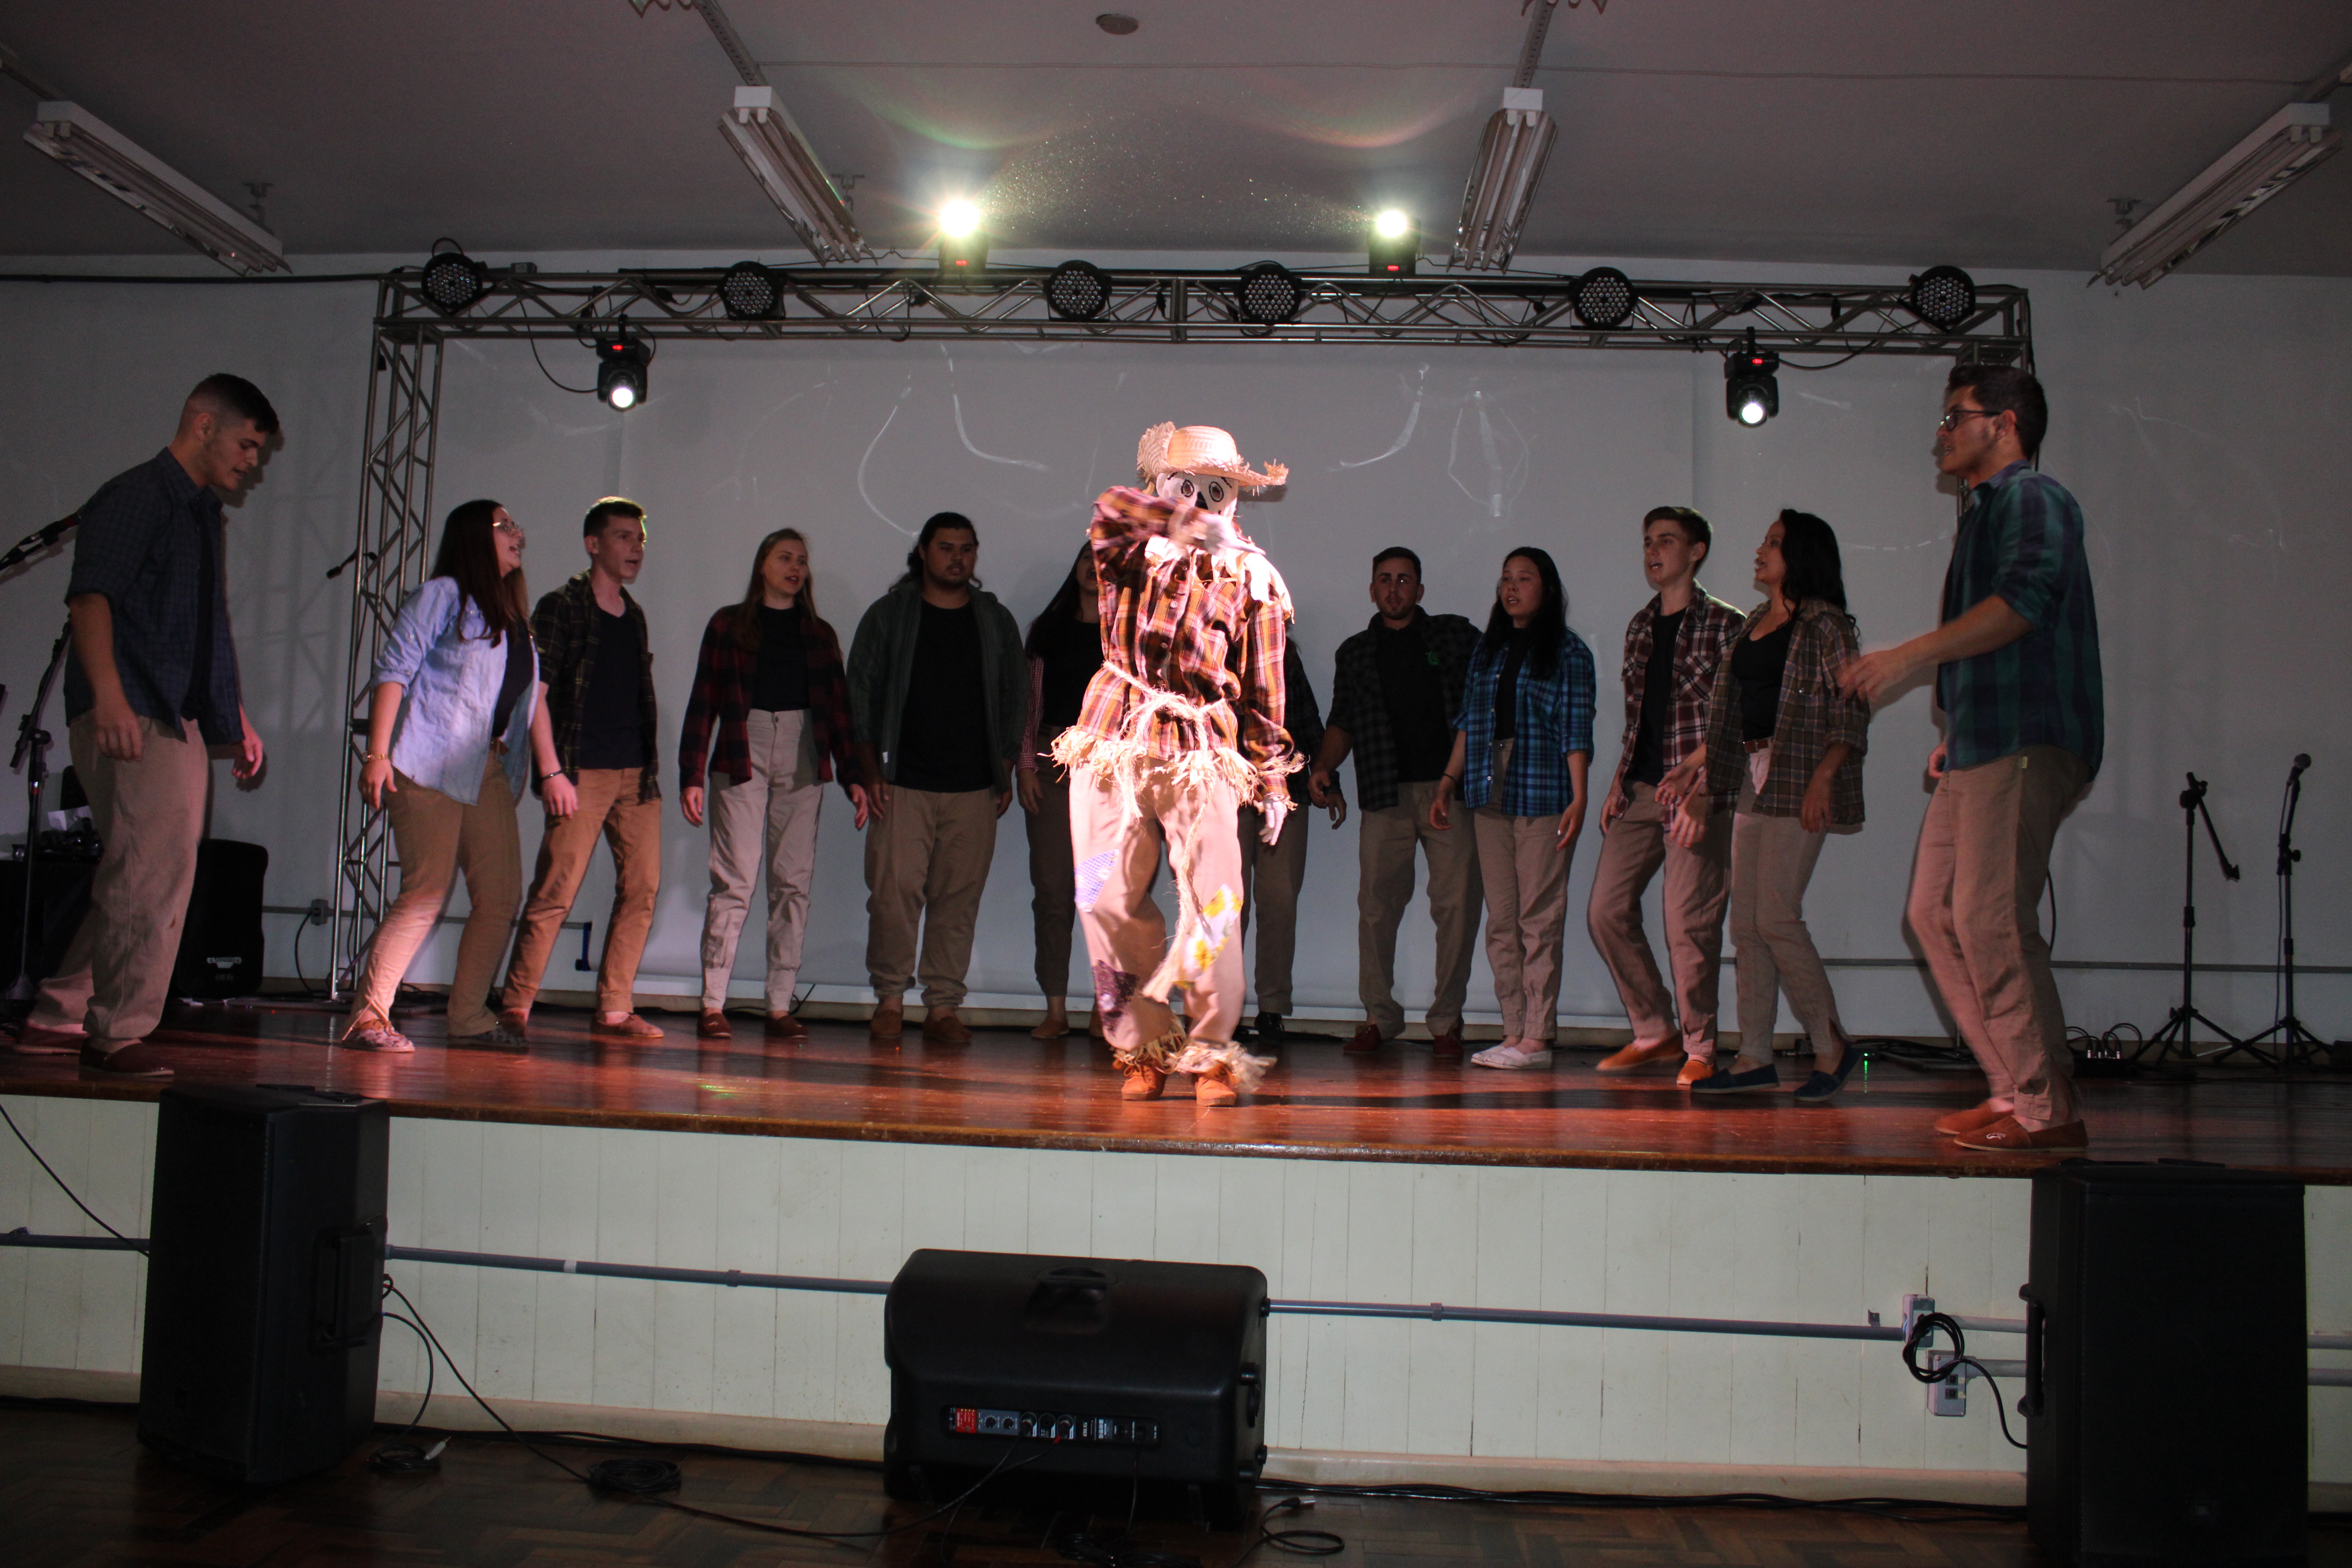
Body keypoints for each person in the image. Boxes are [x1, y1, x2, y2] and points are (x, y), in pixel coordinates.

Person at [1840, 365, 2102, 1151]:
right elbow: (2001, 635)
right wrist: (1957, 726)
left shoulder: (2033, 497)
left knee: (1988, 919)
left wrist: (1908, 657)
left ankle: (2046, 1109)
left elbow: (2023, 605)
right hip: (1985, 740)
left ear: (2006, 423)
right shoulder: (1989, 511)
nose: (1942, 432)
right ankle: (2016, 1086)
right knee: (1933, 913)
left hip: (2022, 737)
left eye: (1956, 416)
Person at [12, 375, 272, 1078]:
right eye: (247, 444)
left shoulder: (198, 513)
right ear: (203, 424)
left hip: (171, 712)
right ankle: (115, 1035)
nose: (252, 461)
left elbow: (202, 627)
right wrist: (110, 699)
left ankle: (59, 1012)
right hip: (134, 710)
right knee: (151, 875)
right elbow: (90, 600)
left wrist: (235, 716)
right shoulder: (138, 496)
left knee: (142, 868)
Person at [1054, 423, 1294, 1105]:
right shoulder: (1127, 549)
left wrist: (1273, 778)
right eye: (1183, 486)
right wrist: (1183, 522)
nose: (1198, 501)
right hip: (1113, 740)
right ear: (1161, 486)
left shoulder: (1254, 576)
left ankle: (1211, 1053)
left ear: (1233, 498)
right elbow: (1110, 507)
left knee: (1216, 904)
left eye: (1213, 491)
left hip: (1201, 750)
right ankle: (1144, 1045)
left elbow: (1266, 686)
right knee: (1102, 896)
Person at [1661, 511, 1869, 1101]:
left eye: (1774, 543)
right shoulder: (1755, 621)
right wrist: (1700, 774)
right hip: (1754, 774)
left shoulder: (1826, 625)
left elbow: (1851, 710)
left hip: (1800, 773)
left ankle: (1832, 1045)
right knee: (1748, 924)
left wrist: (1825, 778)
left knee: (1776, 916)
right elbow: (1734, 715)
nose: (1761, 549)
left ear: (1800, 555)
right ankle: (1755, 1055)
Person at [342, 500, 561, 1053]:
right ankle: (368, 1018)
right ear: (473, 536)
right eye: (504, 525)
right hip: (429, 762)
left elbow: (529, 702)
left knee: (501, 896)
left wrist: (549, 767)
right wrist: (377, 754)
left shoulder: (515, 620)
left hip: (489, 768)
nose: (517, 533)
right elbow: (395, 671)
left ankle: (468, 1017)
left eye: (516, 524)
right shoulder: (442, 595)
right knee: (426, 892)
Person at [678, 528, 868, 1044]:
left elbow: (839, 710)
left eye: (802, 560)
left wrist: (854, 776)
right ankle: (713, 1003)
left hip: (803, 752)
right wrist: (692, 773)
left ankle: (780, 1005)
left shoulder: (819, 633)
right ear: (763, 564)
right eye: (785, 558)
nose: (795, 568)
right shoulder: (728, 625)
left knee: (793, 883)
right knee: (735, 880)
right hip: (744, 748)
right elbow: (704, 701)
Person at [847, 512, 1026, 1045]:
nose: (957, 558)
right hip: (901, 781)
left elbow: (1016, 695)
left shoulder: (994, 620)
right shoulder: (890, 615)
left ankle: (944, 1007)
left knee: (958, 900)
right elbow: (860, 694)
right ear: (923, 552)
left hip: (973, 786)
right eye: (946, 547)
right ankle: (890, 999)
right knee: (893, 894)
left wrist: (1005, 768)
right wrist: (869, 770)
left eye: (967, 548)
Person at [1586, 508, 1744, 1086]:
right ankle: (1655, 1029)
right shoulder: (1640, 626)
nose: (1654, 552)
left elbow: (1737, 719)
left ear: (1696, 551)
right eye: (1648, 542)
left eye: (1667, 542)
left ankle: (1701, 1047)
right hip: (1642, 788)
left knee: (1687, 922)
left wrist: (1704, 788)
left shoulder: (1727, 625)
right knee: (1605, 910)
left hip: (1697, 790)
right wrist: (1617, 781)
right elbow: (1639, 720)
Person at [497, 499, 664, 1041]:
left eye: (639, 538)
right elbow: (535, 693)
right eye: (623, 537)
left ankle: (615, 1008)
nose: (635, 547)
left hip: (635, 773)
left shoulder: (634, 614)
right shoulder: (561, 606)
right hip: (581, 770)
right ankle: (516, 1005)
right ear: (594, 545)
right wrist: (552, 772)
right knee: (556, 889)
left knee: (641, 888)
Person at [1309, 548, 1482, 1060]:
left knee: (1456, 908)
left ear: (1420, 591)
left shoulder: (1454, 637)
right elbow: (1342, 721)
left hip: (1448, 793)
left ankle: (1447, 1023)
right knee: (1376, 909)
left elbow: (1487, 695)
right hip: (1384, 794)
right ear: (1372, 590)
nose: (1394, 588)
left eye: (1404, 580)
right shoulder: (1355, 653)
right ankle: (1379, 1017)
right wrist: (1323, 767)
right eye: (1385, 580)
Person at [1428, 548, 1594, 1070]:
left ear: (1547, 588)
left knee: (1538, 919)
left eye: (1524, 578)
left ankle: (1538, 1037)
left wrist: (1580, 795)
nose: (1512, 588)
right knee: (1501, 920)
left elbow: (1576, 730)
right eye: (1506, 579)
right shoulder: (1490, 649)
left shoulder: (1568, 651)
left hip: (1542, 789)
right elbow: (1469, 721)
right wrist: (1448, 781)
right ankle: (1514, 1030)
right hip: (1487, 786)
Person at [1016, 543, 1105, 1040]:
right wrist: (1026, 767)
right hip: (1051, 765)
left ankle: (1105, 1006)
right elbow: (1030, 706)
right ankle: (1055, 1008)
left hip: (1108, 771)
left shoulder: (1126, 634)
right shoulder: (1046, 630)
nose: (1094, 568)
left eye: (1104, 561)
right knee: (1053, 892)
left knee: (1103, 895)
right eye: (1087, 559)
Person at [1238, 640, 1334, 1044]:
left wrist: (1329, 781)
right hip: (1224, 791)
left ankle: (1272, 1009)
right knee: (1221, 906)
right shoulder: (1208, 643)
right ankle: (1215, 1009)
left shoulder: (1284, 654)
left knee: (1279, 903)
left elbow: (1307, 722)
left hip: (1286, 791)